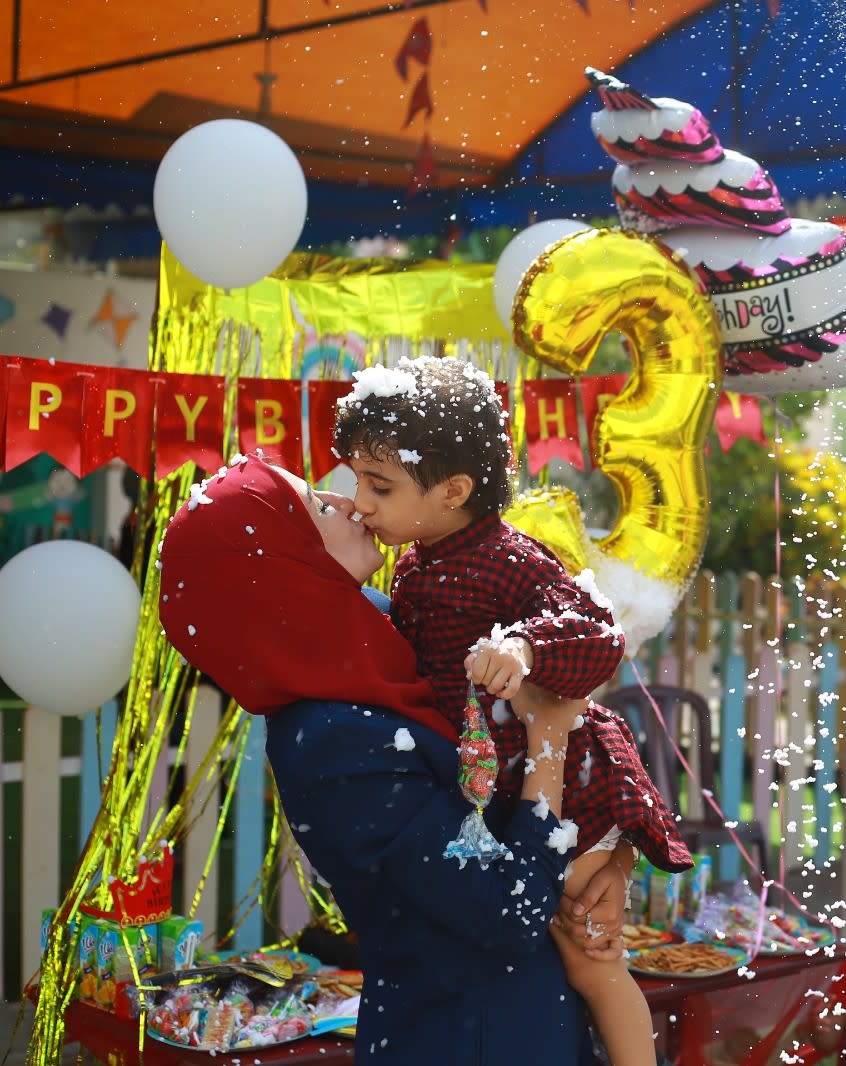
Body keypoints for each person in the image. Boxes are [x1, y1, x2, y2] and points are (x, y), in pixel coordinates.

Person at [158, 454, 634, 1066]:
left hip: (545, 1017)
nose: (349, 503)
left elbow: (545, 753)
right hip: (467, 1038)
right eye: (315, 507)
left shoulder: (392, 629)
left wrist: (610, 868)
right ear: (277, 567)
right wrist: (549, 739)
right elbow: (504, 910)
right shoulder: (328, 737)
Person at [333, 356, 693, 1066]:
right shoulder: (415, 564)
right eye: (356, 483)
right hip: (512, 790)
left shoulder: (506, 558)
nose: (362, 503)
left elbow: (598, 633)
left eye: (380, 485)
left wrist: (527, 648)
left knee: (591, 957)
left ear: (453, 491)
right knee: (555, 956)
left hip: (573, 792)